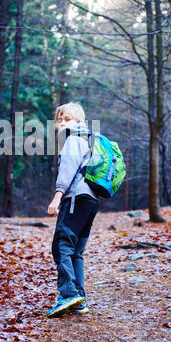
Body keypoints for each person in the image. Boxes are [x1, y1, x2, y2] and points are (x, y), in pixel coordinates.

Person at [47, 102, 100, 318]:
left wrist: (57, 197)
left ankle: (69, 294)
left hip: (76, 198)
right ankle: (80, 301)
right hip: (92, 200)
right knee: (76, 251)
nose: (62, 123)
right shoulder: (90, 140)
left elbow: (67, 170)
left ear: (79, 121)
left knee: (62, 246)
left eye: (67, 119)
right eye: (59, 119)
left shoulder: (73, 139)